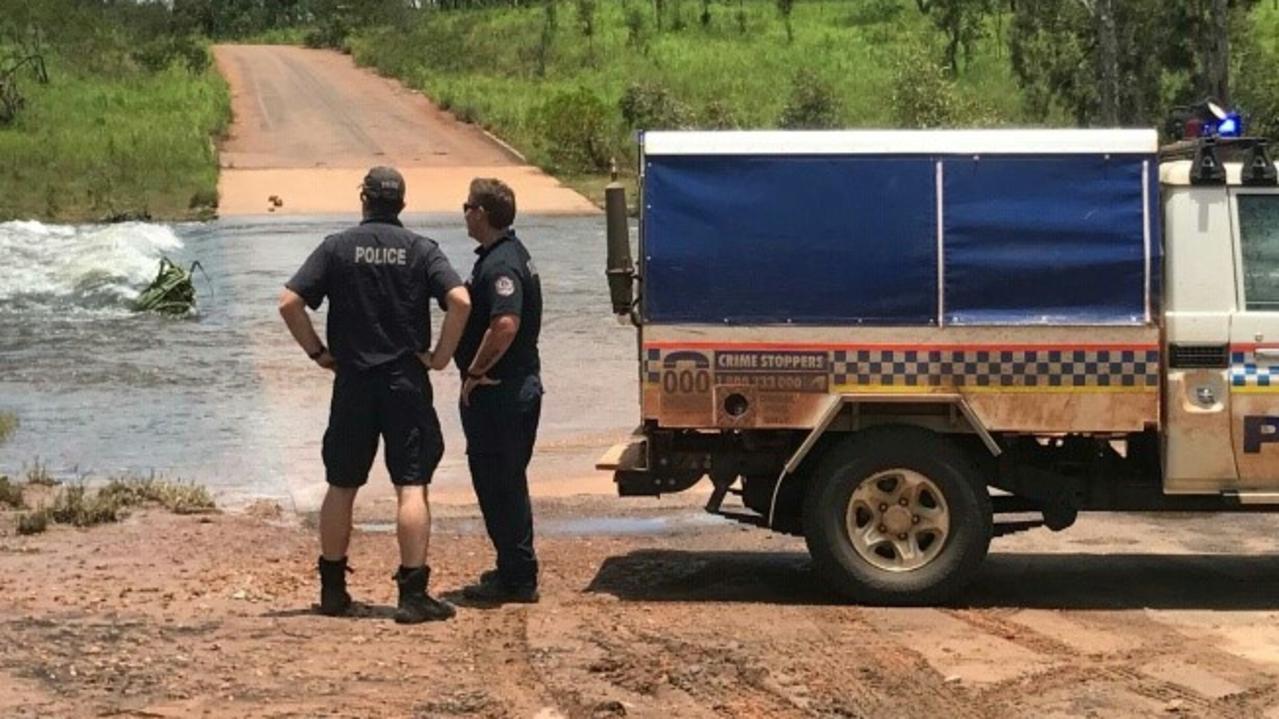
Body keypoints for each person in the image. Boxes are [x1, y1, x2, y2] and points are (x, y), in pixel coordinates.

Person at [278, 166, 471, 624]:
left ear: (363, 198)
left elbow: (289, 302)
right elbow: (460, 300)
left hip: (353, 382)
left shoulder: (337, 248)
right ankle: (412, 594)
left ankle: (332, 590)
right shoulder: (422, 250)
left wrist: (317, 353)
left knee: (342, 485)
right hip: (405, 381)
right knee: (410, 485)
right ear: (401, 204)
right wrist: (442, 357)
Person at [456, 177, 543, 604]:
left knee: (499, 482)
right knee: (505, 481)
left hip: (501, 392)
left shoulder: (501, 265)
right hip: (514, 388)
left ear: (482, 214)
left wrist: (474, 372)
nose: (464, 212)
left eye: (467, 206)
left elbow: (505, 325)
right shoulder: (506, 255)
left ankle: (518, 577)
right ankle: (513, 567)